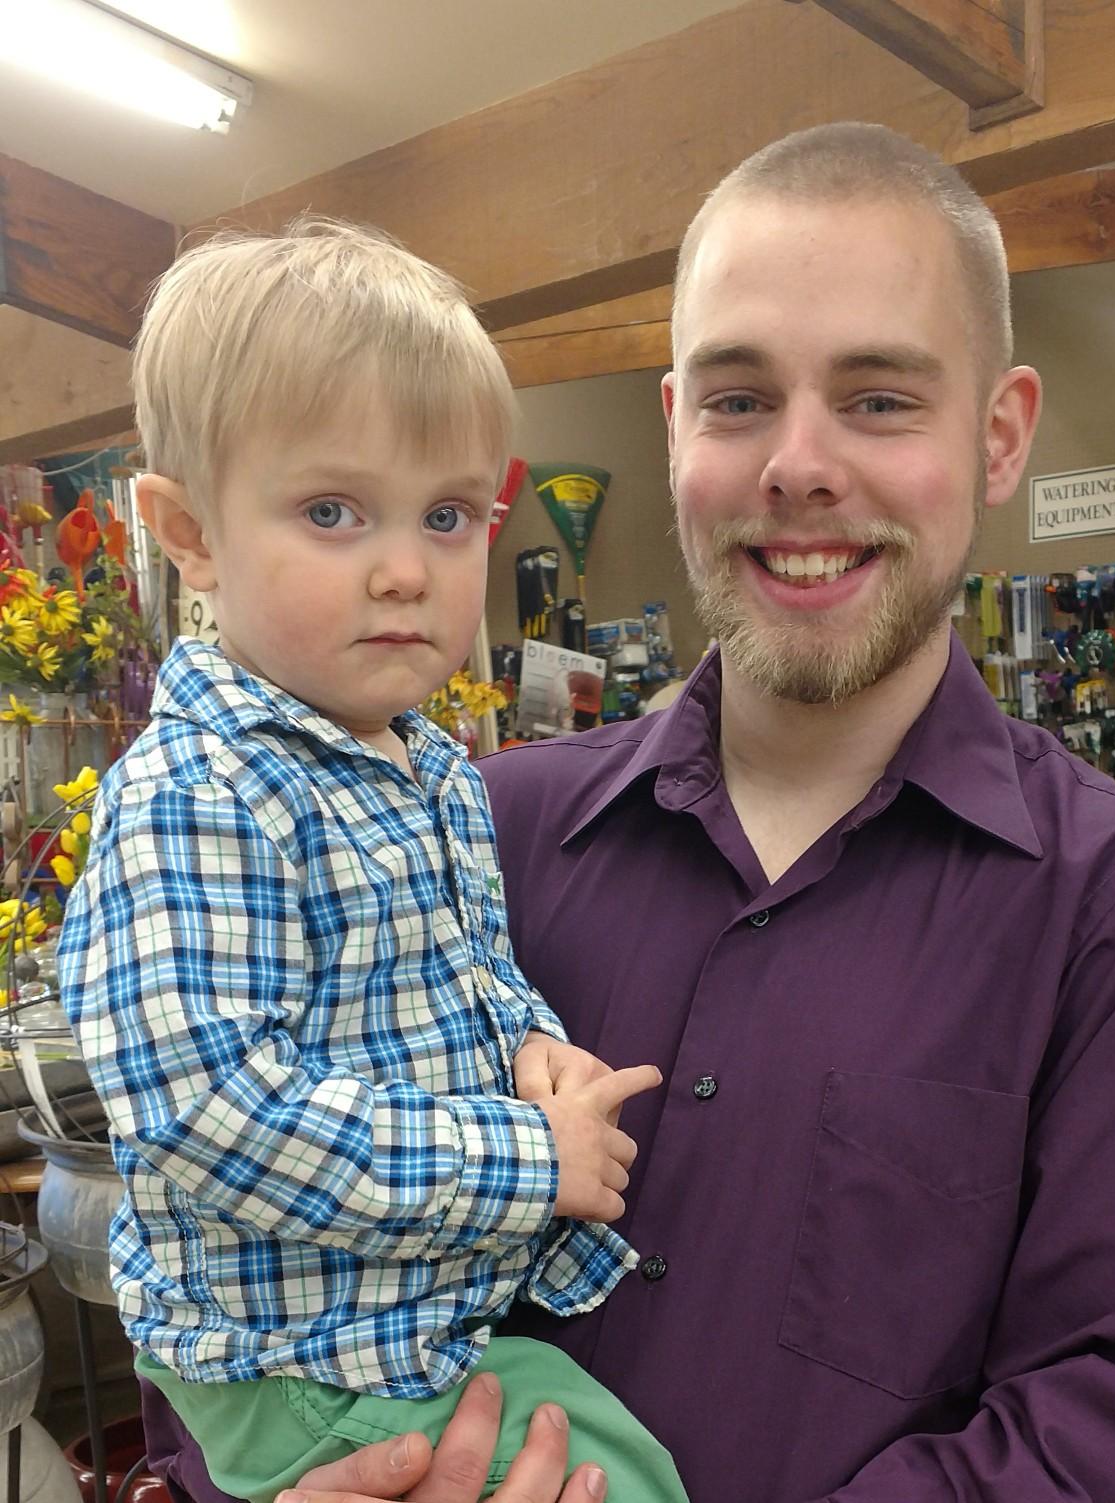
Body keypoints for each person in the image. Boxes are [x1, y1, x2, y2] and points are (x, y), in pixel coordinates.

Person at [143, 124, 1115, 1503]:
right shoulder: (463, 842)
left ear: (996, 439)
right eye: (740, 400)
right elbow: (215, 1265)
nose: (796, 465)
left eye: (877, 400)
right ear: (677, 425)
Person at [58, 219, 688, 1503]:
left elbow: (458, 974)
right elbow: (205, 1119)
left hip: (401, 1323)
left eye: (448, 515)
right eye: (332, 511)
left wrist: (532, 1047)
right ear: (190, 532)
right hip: (294, 1350)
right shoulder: (201, 790)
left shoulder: (431, 768)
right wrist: (526, 1158)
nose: (406, 569)